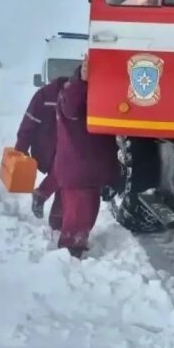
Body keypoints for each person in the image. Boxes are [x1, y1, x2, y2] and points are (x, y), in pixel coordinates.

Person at [53, 54, 119, 258]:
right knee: (79, 216)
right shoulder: (74, 91)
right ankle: (70, 254)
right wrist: (83, 79)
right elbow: (71, 107)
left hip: (85, 170)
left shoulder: (88, 92)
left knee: (81, 211)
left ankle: (66, 237)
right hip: (80, 170)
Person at [14, 75, 68, 229]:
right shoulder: (45, 95)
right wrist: (21, 149)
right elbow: (28, 123)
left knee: (67, 183)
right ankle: (43, 197)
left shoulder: (83, 94)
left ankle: (57, 225)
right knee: (65, 173)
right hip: (47, 149)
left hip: (70, 149)